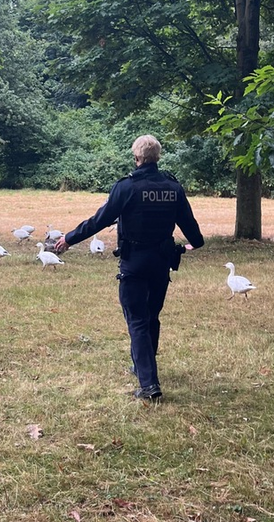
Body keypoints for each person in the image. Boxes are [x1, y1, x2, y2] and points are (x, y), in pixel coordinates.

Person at [54, 135, 204, 402]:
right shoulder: (173, 186)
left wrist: (69, 238)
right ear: (157, 157)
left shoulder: (127, 187)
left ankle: (148, 384)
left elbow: (100, 220)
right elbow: (190, 226)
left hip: (134, 261)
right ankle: (143, 367)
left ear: (136, 158)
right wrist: (194, 243)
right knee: (151, 315)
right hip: (161, 261)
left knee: (136, 320)